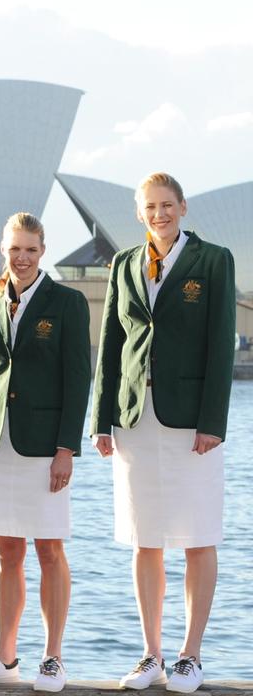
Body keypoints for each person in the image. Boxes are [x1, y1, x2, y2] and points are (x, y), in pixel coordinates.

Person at [92, 172, 235, 694]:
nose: (160, 214)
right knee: (143, 537)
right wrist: (101, 419)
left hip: (191, 419)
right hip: (135, 416)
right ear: (139, 213)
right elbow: (110, 343)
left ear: (183, 206)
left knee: (198, 535)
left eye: (167, 204)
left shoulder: (213, 260)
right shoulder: (124, 263)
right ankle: (150, 654)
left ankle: (190, 656)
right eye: (150, 206)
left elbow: (222, 344)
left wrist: (212, 422)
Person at [0, 213, 90, 692]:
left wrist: (66, 448)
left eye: (30, 249)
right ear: (3, 250)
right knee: (6, 550)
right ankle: (5, 657)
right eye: (15, 249)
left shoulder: (68, 303)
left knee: (49, 549)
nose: (23, 258)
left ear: (42, 251)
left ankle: (52, 658)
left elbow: (78, 379)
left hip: (43, 445)